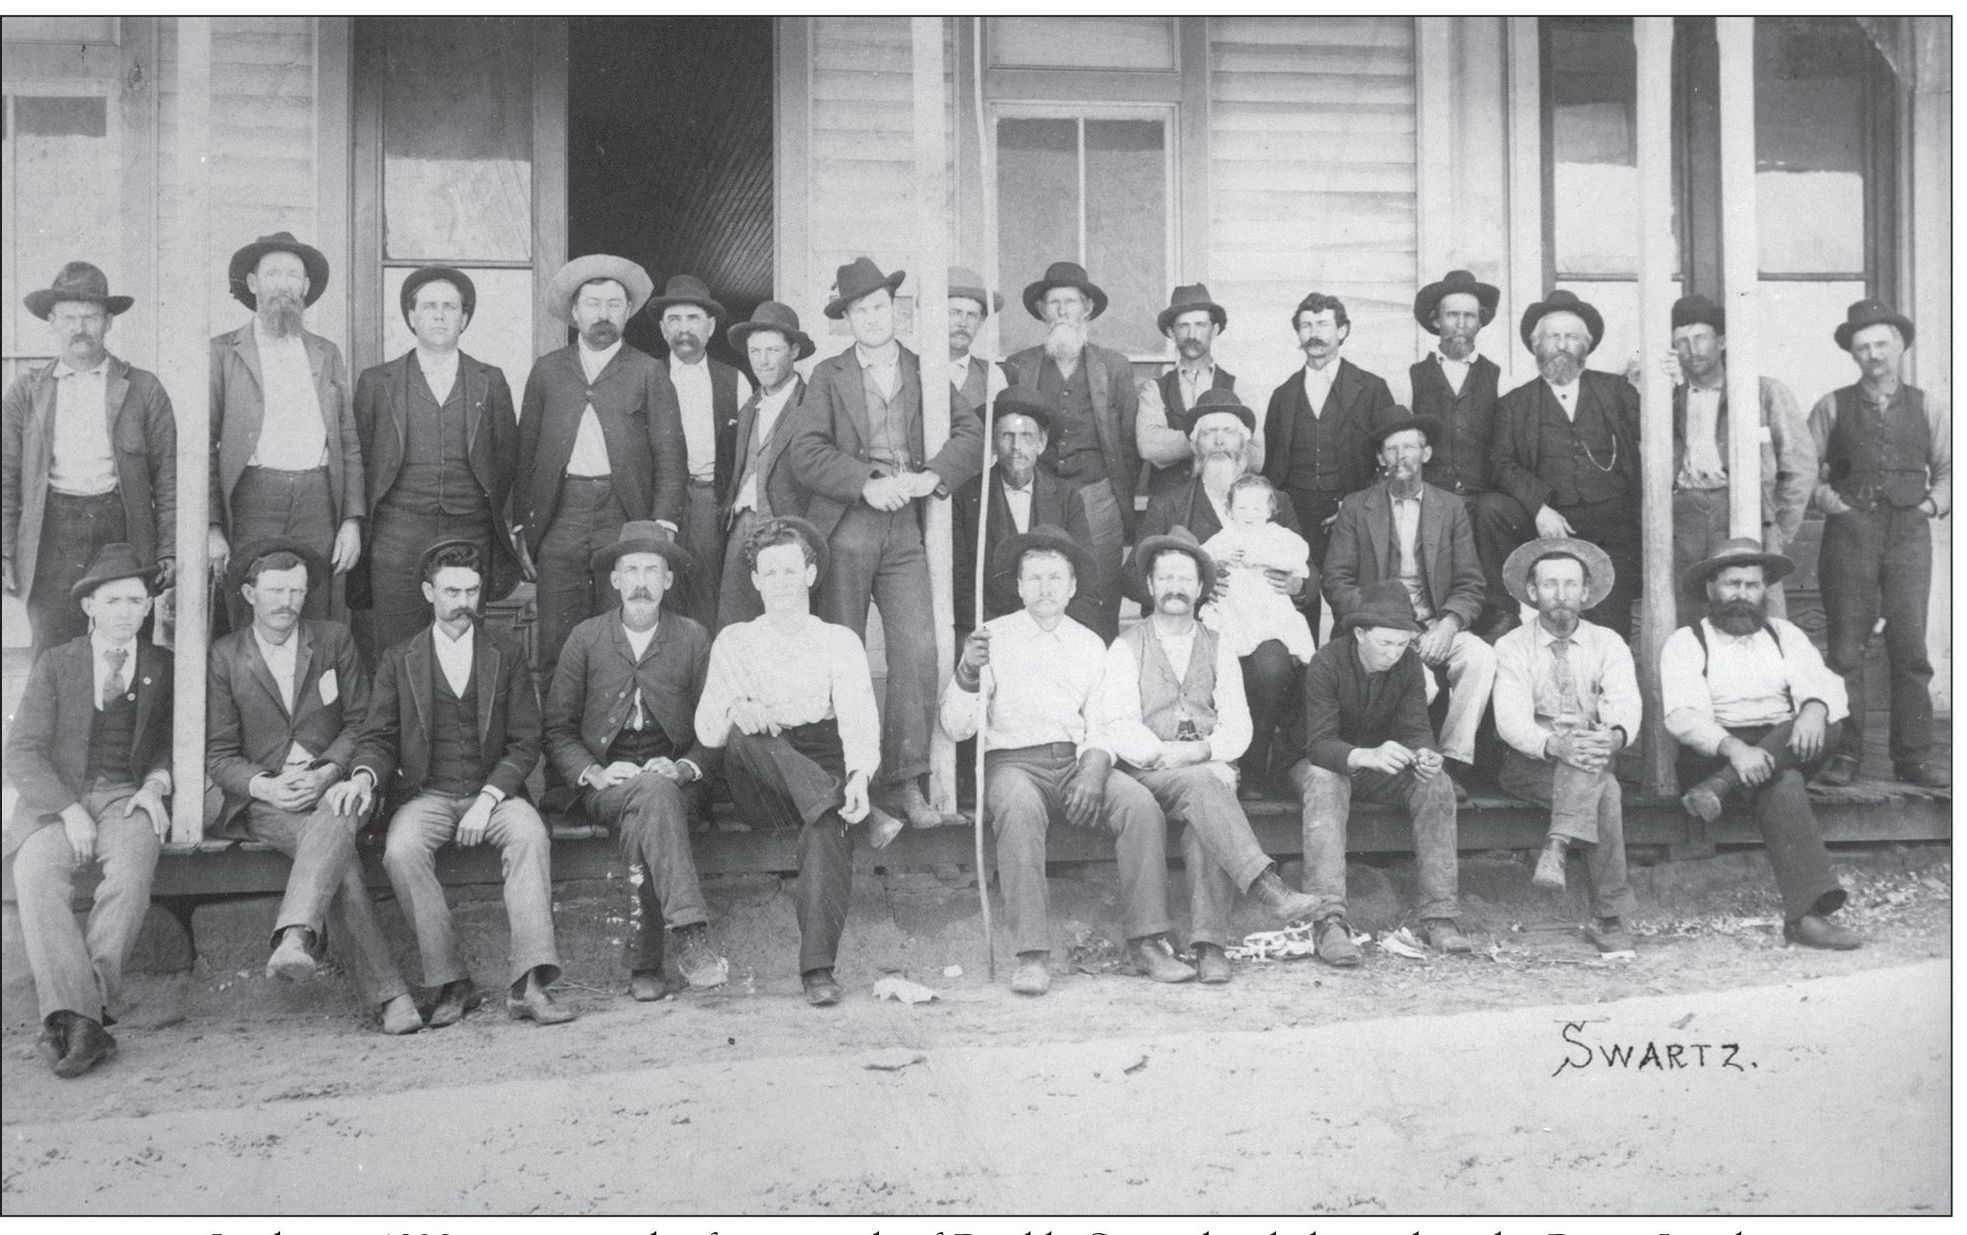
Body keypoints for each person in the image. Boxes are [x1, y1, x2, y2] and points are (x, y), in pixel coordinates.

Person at [328, 539, 574, 1026]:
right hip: (429, 794)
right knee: (401, 849)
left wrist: (488, 797)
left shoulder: (504, 651)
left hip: (495, 794)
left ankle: (529, 984)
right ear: (428, 592)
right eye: (451, 591)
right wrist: (362, 776)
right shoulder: (400, 659)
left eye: (472, 591)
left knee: (529, 835)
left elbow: (526, 742)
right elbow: (379, 737)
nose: (463, 602)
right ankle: (452, 982)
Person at [942, 525, 1195, 994]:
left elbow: (1102, 722)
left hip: (1079, 763)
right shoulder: (991, 639)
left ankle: (1147, 942)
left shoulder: (1089, 643)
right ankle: (1033, 954)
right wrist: (968, 670)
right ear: (1018, 587)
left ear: (1073, 586)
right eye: (1033, 579)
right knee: (1017, 809)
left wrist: (1095, 769)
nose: (1045, 589)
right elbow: (957, 727)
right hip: (1014, 763)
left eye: (1055, 578)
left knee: (1139, 806)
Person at [785, 256, 983, 828]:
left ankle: (908, 784)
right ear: (846, 319)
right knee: (843, 657)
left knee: (918, 651)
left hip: (907, 531)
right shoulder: (829, 376)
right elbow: (807, 452)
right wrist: (867, 485)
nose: (872, 317)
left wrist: (932, 475)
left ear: (894, 309)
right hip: (848, 527)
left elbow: (969, 432)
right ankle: (853, 786)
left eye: (879, 306)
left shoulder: (926, 369)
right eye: (859, 310)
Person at [205, 539, 421, 1034]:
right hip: (271, 799)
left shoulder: (332, 639)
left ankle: (298, 934)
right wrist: (267, 787)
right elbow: (218, 755)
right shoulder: (225, 657)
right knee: (339, 862)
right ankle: (388, 995)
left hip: (335, 788)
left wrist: (328, 772)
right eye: (276, 590)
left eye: (297, 591)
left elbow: (362, 721)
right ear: (248, 593)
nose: (288, 601)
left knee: (338, 815)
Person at [1096, 528, 1322, 986]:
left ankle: (1209, 947)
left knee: (1207, 802)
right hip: (1148, 772)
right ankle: (1264, 887)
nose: (1176, 587)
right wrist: (1168, 756)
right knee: (1208, 786)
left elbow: (1237, 722)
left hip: (1204, 764)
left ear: (1201, 588)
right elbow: (1117, 721)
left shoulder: (1218, 644)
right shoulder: (1126, 646)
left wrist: (1203, 751)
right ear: (1151, 586)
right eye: (1166, 578)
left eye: (1185, 578)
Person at [694, 518, 902, 1007]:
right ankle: (856, 812)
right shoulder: (735, 641)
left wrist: (857, 781)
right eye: (771, 573)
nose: (782, 583)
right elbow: (706, 733)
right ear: (756, 581)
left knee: (829, 821)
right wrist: (734, 708)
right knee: (749, 737)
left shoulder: (837, 640)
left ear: (810, 575)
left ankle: (817, 971)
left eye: (792, 571)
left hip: (823, 766)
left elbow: (858, 720)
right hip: (761, 783)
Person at [3, 544, 174, 1077]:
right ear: (89, 608)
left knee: (129, 873)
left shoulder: (165, 666)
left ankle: (77, 1016)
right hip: (61, 798)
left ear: (149, 608)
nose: (127, 610)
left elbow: (176, 742)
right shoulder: (59, 663)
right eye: (114, 600)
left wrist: (156, 782)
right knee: (35, 873)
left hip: (128, 794)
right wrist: (67, 809)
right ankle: (88, 1020)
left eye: (136, 600)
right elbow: (22, 749)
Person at [542, 522, 729, 1000]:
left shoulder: (692, 638)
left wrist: (685, 767)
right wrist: (595, 772)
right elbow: (557, 728)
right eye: (631, 570)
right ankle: (689, 937)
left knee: (652, 801)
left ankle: (646, 966)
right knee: (649, 797)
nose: (641, 580)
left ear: (668, 580)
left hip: (677, 780)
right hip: (606, 782)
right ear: (615, 581)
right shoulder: (585, 638)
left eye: (652, 570)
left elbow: (715, 724)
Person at [1662, 538, 1861, 949]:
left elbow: (1826, 686)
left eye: (1752, 586)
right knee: (1784, 782)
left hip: (1781, 742)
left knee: (1829, 719)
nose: (1743, 595)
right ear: (1710, 589)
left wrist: (1813, 709)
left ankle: (1721, 788)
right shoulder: (1687, 641)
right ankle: (1806, 918)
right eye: (1733, 584)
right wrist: (1736, 750)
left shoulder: (1783, 634)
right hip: (1717, 751)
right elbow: (1683, 716)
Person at [1131, 390, 1313, 797]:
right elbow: (1133, 577)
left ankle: (1254, 769)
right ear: (1193, 444)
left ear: (1244, 443)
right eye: (1208, 432)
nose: (1217, 441)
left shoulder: (1275, 501)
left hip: (1261, 619)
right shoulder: (1169, 504)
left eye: (1227, 432)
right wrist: (1191, 586)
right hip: (1196, 624)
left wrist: (1299, 584)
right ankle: (1204, 767)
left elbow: (1306, 567)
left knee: (1271, 665)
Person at [514, 254, 686, 683]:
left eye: (613, 304)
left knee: (618, 635)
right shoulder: (548, 371)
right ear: (574, 313)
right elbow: (526, 453)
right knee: (558, 636)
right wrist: (521, 525)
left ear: (627, 313)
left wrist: (661, 525)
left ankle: (613, 744)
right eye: (593, 304)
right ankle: (559, 745)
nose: (603, 314)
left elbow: (670, 456)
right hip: (561, 517)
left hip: (624, 517)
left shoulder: (649, 372)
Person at [1807, 299, 1949, 789]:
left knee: (1909, 647)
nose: (1873, 355)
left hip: (1908, 534)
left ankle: (1912, 757)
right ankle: (1846, 755)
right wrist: (1832, 503)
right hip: (1849, 535)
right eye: (1862, 347)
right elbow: (1805, 470)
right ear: (1852, 354)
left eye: (1881, 344)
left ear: (1901, 346)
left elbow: (1952, 468)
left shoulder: (1929, 405)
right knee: (1846, 650)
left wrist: (1929, 506)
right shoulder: (1831, 405)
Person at [3, 262, 177, 661]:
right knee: (53, 651)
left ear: (109, 322)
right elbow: (5, 476)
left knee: (128, 644)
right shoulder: (26, 392)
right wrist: (6, 551)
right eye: (69, 317)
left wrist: (167, 549)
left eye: (91, 317)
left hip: (121, 528)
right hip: (52, 532)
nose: (80, 327)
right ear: (52, 321)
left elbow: (168, 477)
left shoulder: (144, 388)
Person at [1290, 580, 1469, 967]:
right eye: (1384, 643)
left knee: (1435, 783)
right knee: (1325, 780)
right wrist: (1364, 755)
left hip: (1373, 765)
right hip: (1314, 763)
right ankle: (1328, 920)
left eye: (1402, 644)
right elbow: (1318, 744)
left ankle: (1440, 915)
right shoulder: (1327, 662)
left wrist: (1426, 754)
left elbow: (1416, 728)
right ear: (1359, 633)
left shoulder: (1407, 665)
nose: (1393, 653)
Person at [351, 266, 523, 657]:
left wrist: (510, 526)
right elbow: (357, 461)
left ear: (464, 318)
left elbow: (508, 458)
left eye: (451, 307)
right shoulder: (378, 381)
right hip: (398, 533)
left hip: (470, 531)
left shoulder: (489, 380)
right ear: (411, 317)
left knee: (462, 642)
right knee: (397, 647)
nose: (440, 314)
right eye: (429, 306)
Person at [1323, 412, 1495, 795]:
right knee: (1421, 686)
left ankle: (1449, 763)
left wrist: (1449, 625)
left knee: (1480, 659)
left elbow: (1470, 582)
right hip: (1382, 628)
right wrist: (1385, 625)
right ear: (1381, 458)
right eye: (1391, 448)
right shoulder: (1356, 507)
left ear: (1427, 453)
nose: (1401, 456)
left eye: (1410, 447)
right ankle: (1402, 767)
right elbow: (1337, 580)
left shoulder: (1450, 508)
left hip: (1436, 624)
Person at [1490, 538, 1641, 954]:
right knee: (1604, 788)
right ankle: (1610, 916)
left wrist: (1611, 736)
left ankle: (1556, 847)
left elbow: (1625, 704)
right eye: (1551, 584)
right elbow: (1511, 722)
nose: (1562, 594)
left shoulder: (1607, 642)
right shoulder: (1512, 646)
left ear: (1586, 593)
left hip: (1592, 751)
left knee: (1600, 777)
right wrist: (1557, 744)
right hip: (1531, 761)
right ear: (1533, 592)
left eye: (1571, 585)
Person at [209, 232, 363, 628]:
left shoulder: (326, 352)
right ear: (253, 283)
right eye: (272, 273)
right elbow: (203, 446)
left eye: (293, 275)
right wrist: (211, 527)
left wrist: (351, 520)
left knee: (316, 609)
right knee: (250, 607)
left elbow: (347, 440)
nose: (283, 282)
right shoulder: (224, 352)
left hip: (318, 500)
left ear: (306, 287)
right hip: (254, 499)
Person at [1485, 289, 1642, 637]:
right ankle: (1506, 609)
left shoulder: (1615, 391)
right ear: (1536, 344)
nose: (1562, 345)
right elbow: (1500, 463)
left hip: (1612, 529)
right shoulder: (1515, 404)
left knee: (1609, 632)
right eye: (1553, 336)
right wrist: (1538, 507)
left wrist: (1664, 384)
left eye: (1572, 337)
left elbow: (1659, 428)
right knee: (1491, 508)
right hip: (1552, 523)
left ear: (1586, 345)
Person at [1661, 293, 1815, 624]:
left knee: (1757, 611)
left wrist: (1777, 530)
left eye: (1701, 338)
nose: (1693, 349)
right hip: (1687, 514)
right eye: (1682, 342)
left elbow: (1799, 467)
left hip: (1742, 510)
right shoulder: (1672, 397)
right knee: (1693, 611)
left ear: (1722, 340)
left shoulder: (1764, 393)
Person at [1001, 260, 1136, 634]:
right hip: (1038, 492)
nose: (1062, 310)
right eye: (1054, 302)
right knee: (1037, 586)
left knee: (1099, 590)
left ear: (1087, 308)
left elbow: (1127, 444)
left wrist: (1119, 501)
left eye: (1071, 301)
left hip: (1097, 494)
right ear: (1042, 311)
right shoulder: (1019, 366)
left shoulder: (1114, 367)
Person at [1261, 291, 1397, 633]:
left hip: (1350, 510)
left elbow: (1390, 457)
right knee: (1296, 602)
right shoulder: (1284, 394)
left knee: (1351, 605)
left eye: (1323, 324)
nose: (1314, 333)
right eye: (1306, 326)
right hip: (1296, 511)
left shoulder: (1371, 388)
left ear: (1343, 330)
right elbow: (1273, 464)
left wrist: (1359, 505)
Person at [1407, 269, 1517, 630]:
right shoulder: (1411, 376)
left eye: (1469, 315)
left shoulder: (1501, 377)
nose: (1460, 323)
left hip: (1483, 496)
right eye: (1452, 314)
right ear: (1436, 320)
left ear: (1480, 322)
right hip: (1431, 496)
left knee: (1489, 593)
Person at [951, 386, 1106, 638]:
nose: (1016, 446)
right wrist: (1000, 632)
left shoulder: (1066, 497)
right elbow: (960, 582)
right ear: (992, 442)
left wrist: (1058, 631)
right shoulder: (967, 497)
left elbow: (1085, 574)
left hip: (1053, 628)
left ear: (1041, 443)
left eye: (1026, 436)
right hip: (992, 629)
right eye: (1006, 436)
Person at [650, 274, 751, 631]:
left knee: (706, 597)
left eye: (693, 319)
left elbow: (747, 451)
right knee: (660, 592)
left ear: (709, 327)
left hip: (711, 499)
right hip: (659, 503)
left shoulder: (734, 380)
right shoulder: (647, 375)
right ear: (663, 330)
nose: (684, 329)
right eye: (674, 320)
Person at [716, 301, 813, 630]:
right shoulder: (749, 407)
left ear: (795, 351)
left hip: (787, 526)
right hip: (741, 524)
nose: (764, 360)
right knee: (733, 623)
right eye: (755, 351)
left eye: (773, 349)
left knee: (786, 623)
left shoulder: (813, 403)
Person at [1136, 283, 1257, 496]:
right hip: (1169, 502)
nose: (1192, 334)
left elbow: (1256, 454)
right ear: (1171, 333)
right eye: (1183, 326)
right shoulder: (1154, 389)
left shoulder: (1239, 388)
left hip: (1226, 500)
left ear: (1215, 330)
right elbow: (1149, 446)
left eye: (1200, 325)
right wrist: (1222, 438)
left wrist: (1176, 442)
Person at [1201, 474, 1315, 664]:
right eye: (1241, 508)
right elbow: (1202, 556)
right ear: (1229, 511)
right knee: (1225, 631)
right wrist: (1219, 558)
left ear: (1269, 511)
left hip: (1266, 598)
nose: (1249, 514)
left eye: (1256, 508)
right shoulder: (1225, 537)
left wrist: (1263, 558)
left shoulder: (1276, 534)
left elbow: (1299, 554)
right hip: (1233, 601)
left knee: (1282, 627)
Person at [946, 265, 1008, 415]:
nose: (963, 322)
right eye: (955, 313)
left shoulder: (992, 376)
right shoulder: (913, 368)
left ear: (981, 322)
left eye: (971, 315)